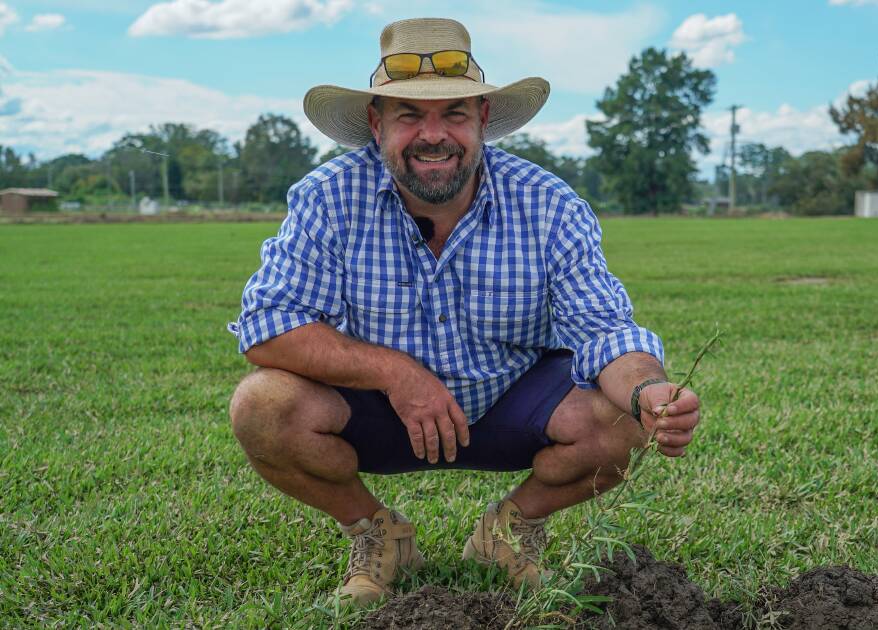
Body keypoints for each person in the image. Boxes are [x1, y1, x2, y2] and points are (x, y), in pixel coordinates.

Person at [226, 17, 701, 606]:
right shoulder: (327, 197)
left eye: (454, 113)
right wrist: (397, 374)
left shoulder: (547, 203)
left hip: (510, 398)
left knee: (623, 421)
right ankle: (378, 535)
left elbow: (603, 329)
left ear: (481, 120)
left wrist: (647, 392)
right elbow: (268, 325)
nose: (434, 135)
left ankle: (510, 532)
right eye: (408, 115)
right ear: (376, 125)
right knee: (262, 406)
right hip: (380, 411)